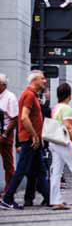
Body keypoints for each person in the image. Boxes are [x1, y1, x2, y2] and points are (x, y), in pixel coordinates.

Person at [1, 71, 50, 210]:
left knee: (41, 171)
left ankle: (49, 198)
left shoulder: (33, 95)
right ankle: (7, 198)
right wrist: (34, 136)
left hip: (34, 141)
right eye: (42, 79)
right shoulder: (28, 95)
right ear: (34, 80)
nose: (44, 81)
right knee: (21, 170)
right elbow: (23, 117)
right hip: (30, 140)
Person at [0, 74, 18, 197]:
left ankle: (8, 193)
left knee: (8, 164)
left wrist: (5, 135)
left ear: (3, 85)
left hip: (5, 134)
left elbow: (15, 118)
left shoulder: (10, 97)